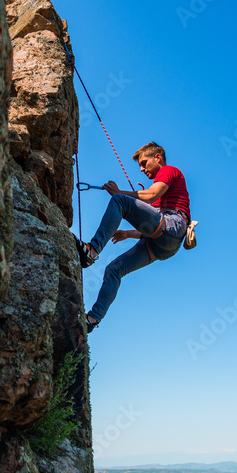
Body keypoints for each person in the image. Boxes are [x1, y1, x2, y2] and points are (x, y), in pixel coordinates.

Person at [77, 142, 193, 333]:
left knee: (119, 201)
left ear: (158, 157)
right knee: (114, 269)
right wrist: (128, 234)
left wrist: (119, 193)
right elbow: (151, 225)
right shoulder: (161, 194)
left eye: (144, 163)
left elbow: (151, 195)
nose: (141, 169)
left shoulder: (169, 170)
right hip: (164, 244)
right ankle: (92, 319)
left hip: (173, 226)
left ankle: (92, 250)